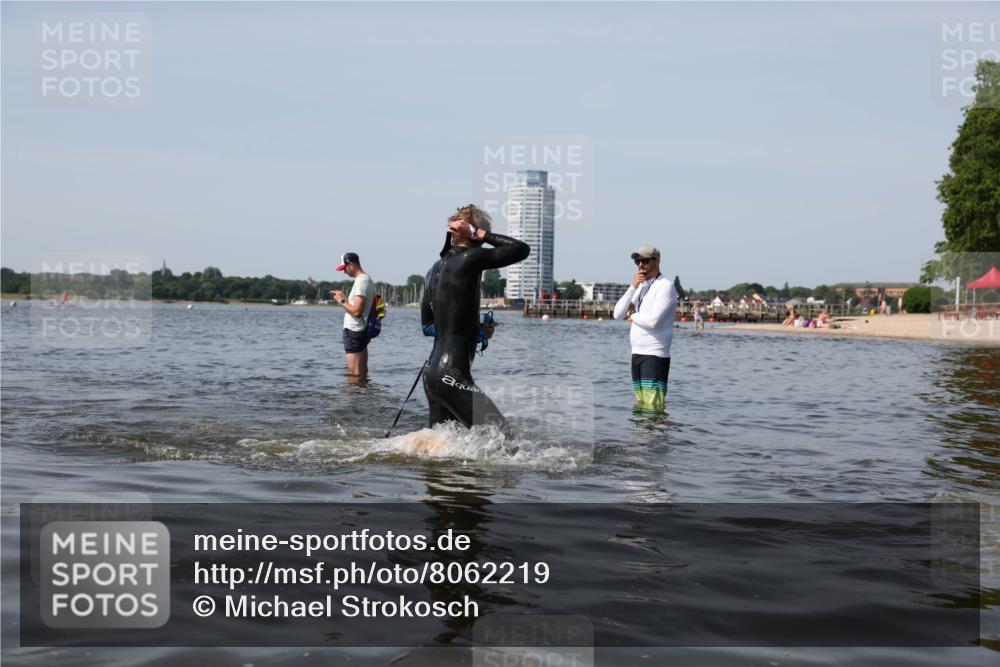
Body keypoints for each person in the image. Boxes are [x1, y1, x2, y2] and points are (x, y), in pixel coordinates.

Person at [420, 204, 530, 430]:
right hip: (452, 376)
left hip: (431, 375)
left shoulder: (432, 270)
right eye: (482, 235)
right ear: (473, 233)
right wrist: (480, 233)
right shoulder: (472, 258)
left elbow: (430, 326)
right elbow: (521, 249)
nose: (485, 241)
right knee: (504, 440)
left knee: (443, 453)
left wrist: (476, 330)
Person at [612, 245, 678, 412]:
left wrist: (632, 315)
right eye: (638, 261)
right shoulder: (640, 287)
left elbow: (654, 321)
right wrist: (632, 287)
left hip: (655, 354)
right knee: (641, 406)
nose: (641, 265)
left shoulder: (665, 286)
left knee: (653, 407)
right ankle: (642, 439)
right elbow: (617, 314)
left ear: (657, 261)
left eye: (645, 261)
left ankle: (656, 438)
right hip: (637, 354)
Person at [330, 252, 374, 381]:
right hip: (362, 330)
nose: (344, 272)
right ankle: (362, 399)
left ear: (351, 264)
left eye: (344, 268)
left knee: (354, 373)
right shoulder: (368, 279)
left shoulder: (361, 281)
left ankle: (353, 400)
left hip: (354, 331)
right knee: (362, 372)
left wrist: (342, 300)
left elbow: (357, 311)